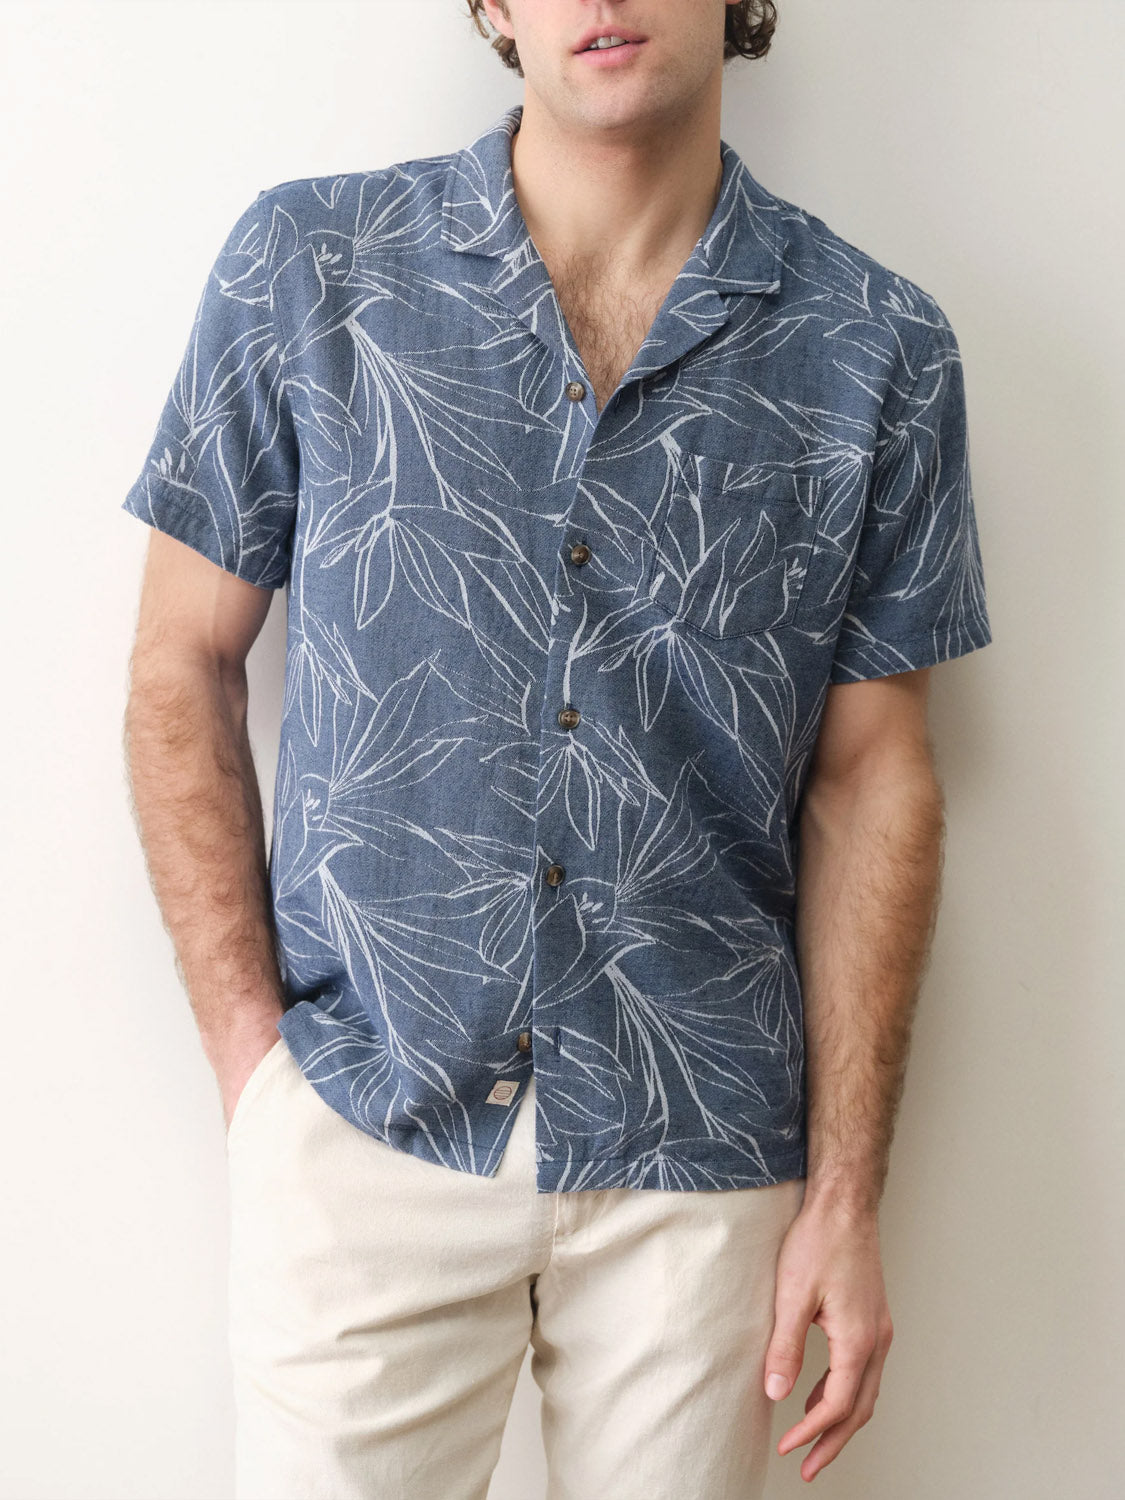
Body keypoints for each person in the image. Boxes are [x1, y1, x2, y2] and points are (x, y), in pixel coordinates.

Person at [119, 2, 993, 1496]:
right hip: (359, 1120)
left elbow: (873, 780)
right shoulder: (313, 267)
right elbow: (178, 666)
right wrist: (257, 1080)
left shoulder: (877, 346)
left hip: (703, 1158)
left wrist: (846, 1196)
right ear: (491, 9)